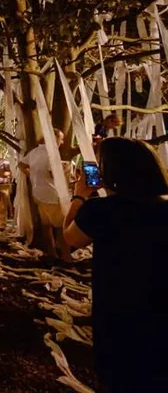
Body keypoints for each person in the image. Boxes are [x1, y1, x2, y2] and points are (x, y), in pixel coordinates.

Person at [63, 138, 168, 391]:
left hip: (119, 311)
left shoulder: (101, 211)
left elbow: (68, 240)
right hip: (161, 309)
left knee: (122, 376)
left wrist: (79, 196)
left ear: (111, 171)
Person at [19, 129, 71, 261]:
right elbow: (53, 174)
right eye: (61, 138)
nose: (62, 141)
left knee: (46, 225)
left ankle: (51, 252)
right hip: (51, 194)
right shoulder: (51, 153)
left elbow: (21, 164)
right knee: (61, 226)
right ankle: (66, 256)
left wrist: (31, 174)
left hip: (38, 192)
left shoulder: (35, 151)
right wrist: (65, 170)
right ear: (53, 138)